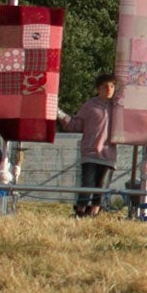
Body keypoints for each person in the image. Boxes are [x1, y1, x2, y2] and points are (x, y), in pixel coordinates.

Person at [63, 74, 121, 218]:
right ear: (98, 89)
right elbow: (75, 125)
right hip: (90, 153)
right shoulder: (89, 105)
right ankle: (80, 211)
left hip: (109, 154)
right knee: (87, 185)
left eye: (112, 86)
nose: (108, 89)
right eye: (104, 86)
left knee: (102, 187)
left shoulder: (118, 107)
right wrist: (60, 115)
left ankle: (95, 213)